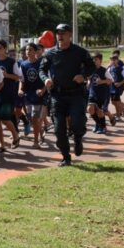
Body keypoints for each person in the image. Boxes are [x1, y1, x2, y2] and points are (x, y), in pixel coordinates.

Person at [40, 23, 94, 167]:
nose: (60, 36)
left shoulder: (80, 52)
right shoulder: (50, 53)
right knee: (58, 129)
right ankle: (66, 157)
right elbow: (42, 69)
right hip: (57, 96)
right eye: (58, 33)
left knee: (77, 123)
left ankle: (78, 138)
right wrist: (46, 79)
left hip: (76, 95)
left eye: (63, 33)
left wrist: (83, 76)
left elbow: (91, 66)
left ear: (70, 35)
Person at [0, 40, 21, 150]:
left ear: (5, 49)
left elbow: (17, 77)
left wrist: (6, 75)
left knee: (5, 119)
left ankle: (15, 136)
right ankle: (2, 143)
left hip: (7, 94)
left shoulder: (11, 62)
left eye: (0, 48)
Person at [18, 42, 47, 147]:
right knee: (31, 119)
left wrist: (43, 90)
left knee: (35, 117)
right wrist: (20, 90)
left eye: (30, 50)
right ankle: (40, 130)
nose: (28, 52)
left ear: (35, 51)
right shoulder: (23, 65)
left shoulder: (41, 64)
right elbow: (22, 80)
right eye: (26, 50)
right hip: (28, 95)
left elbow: (47, 80)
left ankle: (36, 142)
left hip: (38, 95)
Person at [87, 52, 112, 134]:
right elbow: (89, 79)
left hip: (101, 94)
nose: (94, 61)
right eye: (93, 59)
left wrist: (102, 81)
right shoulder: (90, 70)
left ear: (100, 61)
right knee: (90, 109)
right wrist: (88, 83)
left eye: (96, 59)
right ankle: (99, 124)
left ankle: (103, 127)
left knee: (99, 111)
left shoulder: (104, 71)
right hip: (92, 93)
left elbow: (111, 81)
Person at [107, 51, 124, 123]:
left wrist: (120, 83)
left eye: (114, 59)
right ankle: (122, 110)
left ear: (117, 60)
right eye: (112, 59)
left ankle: (120, 113)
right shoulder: (110, 68)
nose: (113, 61)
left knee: (116, 101)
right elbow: (108, 75)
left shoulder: (121, 69)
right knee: (113, 102)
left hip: (118, 87)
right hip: (112, 87)